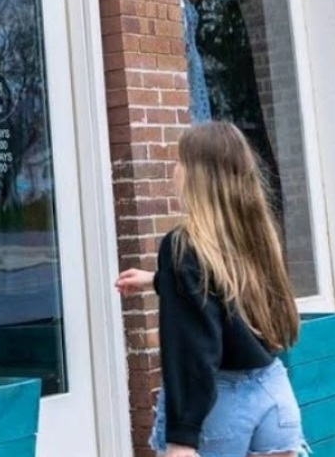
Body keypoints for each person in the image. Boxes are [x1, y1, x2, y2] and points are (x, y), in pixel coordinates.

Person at [115, 121, 306, 457]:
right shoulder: (257, 235)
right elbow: (223, 290)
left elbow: (192, 347)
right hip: (274, 394)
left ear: (197, 175)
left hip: (220, 409)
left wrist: (182, 437)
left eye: (180, 161)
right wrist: (159, 280)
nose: (174, 171)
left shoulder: (182, 246)